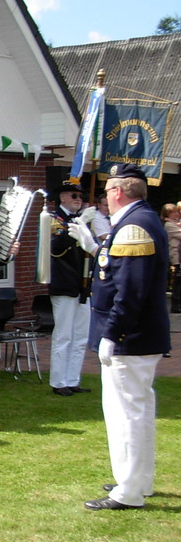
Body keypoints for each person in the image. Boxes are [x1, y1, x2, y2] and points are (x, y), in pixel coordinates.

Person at [76, 164, 170, 510]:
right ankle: (137, 481)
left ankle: (128, 491)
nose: (104, 199)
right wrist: (95, 248)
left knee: (125, 414)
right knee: (137, 411)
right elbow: (118, 269)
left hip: (130, 337)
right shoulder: (141, 220)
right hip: (137, 335)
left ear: (117, 191)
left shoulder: (133, 225)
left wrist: (113, 332)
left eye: (106, 192)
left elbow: (129, 290)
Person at [47, 183, 94, 397]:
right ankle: (59, 381)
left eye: (80, 196)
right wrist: (79, 223)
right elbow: (56, 247)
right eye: (74, 195)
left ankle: (73, 379)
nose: (78, 199)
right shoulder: (53, 219)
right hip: (64, 283)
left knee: (81, 336)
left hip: (82, 284)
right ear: (63, 197)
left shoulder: (80, 219)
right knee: (64, 335)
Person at [159, 203, 181, 313]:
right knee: (177, 281)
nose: (176, 214)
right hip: (176, 256)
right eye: (173, 212)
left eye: (176, 212)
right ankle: (176, 305)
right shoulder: (169, 225)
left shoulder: (175, 223)